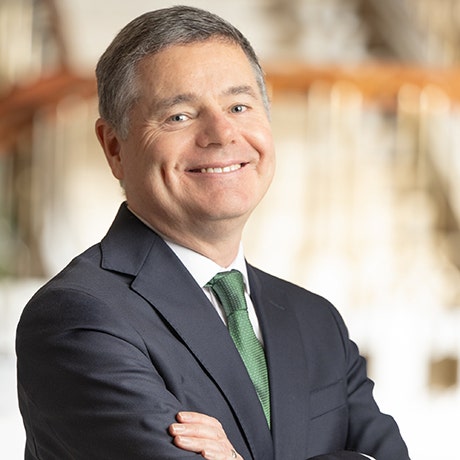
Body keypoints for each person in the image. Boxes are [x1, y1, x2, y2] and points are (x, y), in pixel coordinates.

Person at [16, 5, 410, 460]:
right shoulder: (79, 318)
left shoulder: (315, 319)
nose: (222, 133)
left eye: (239, 107)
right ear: (114, 147)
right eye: (179, 116)